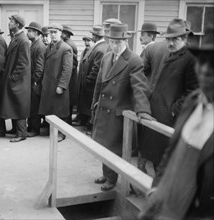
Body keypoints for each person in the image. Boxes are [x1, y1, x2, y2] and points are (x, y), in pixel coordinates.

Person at [139, 25, 214, 220]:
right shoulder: (193, 103)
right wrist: (155, 191)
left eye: (213, 64)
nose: (205, 70)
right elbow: (171, 153)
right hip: (170, 204)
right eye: (203, 62)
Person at [91, 24, 153, 191]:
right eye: (112, 41)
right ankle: (107, 173)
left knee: (114, 148)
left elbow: (140, 88)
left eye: (119, 42)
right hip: (103, 109)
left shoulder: (134, 60)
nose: (115, 45)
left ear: (126, 41)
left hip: (118, 112)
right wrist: (94, 104)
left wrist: (143, 111)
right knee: (104, 146)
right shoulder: (106, 57)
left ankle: (112, 179)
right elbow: (99, 83)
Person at [139, 18, 199, 169]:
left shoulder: (191, 59)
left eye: (175, 39)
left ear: (185, 38)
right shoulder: (172, 54)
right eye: (168, 39)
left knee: (166, 166)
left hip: (172, 122)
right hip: (158, 117)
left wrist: (173, 110)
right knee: (157, 162)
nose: (170, 43)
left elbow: (194, 92)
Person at [38, 23, 73, 142]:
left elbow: (67, 69)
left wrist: (62, 86)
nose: (52, 35)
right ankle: (52, 130)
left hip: (57, 84)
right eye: (51, 32)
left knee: (60, 110)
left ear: (60, 34)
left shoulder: (65, 48)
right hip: (48, 84)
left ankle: (61, 133)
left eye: (55, 32)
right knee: (50, 109)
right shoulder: (49, 47)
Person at [0, 15, 31, 143]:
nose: (9, 23)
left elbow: (23, 64)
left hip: (19, 81)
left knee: (19, 106)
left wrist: (13, 78)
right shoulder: (16, 38)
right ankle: (15, 130)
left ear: (18, 24)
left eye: (12, 21)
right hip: (14, 80)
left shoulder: (23, 40)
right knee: (13, 105)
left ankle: (21, 133)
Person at [76, 26, 108, 134]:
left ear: (95, 36)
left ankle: (92, 127)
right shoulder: (99, 47)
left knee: (93, 106)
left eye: (92, 35)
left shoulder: (100, 49)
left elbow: (96, 69)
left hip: (93, 84)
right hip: (90, 84)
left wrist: (88, 80)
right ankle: (89, 124)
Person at [25, 21, 46, 137]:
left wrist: (34, 80)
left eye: (30, 31)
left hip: (36, 82)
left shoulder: (40, 46)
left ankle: (35, 129)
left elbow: (39, 67)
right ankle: (30, 126)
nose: (28, 33)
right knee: (31, 106)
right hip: (32, 81)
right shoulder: (33, 44)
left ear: (37, 33)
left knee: (34, 107)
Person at [61, 25, 78, 125]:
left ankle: (67, 125)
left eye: (62, 33)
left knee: (68, 104)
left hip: (70, 79)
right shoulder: (67, 43)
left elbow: (74, 64)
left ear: (66, 34)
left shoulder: (69, 45)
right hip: (69, 78)